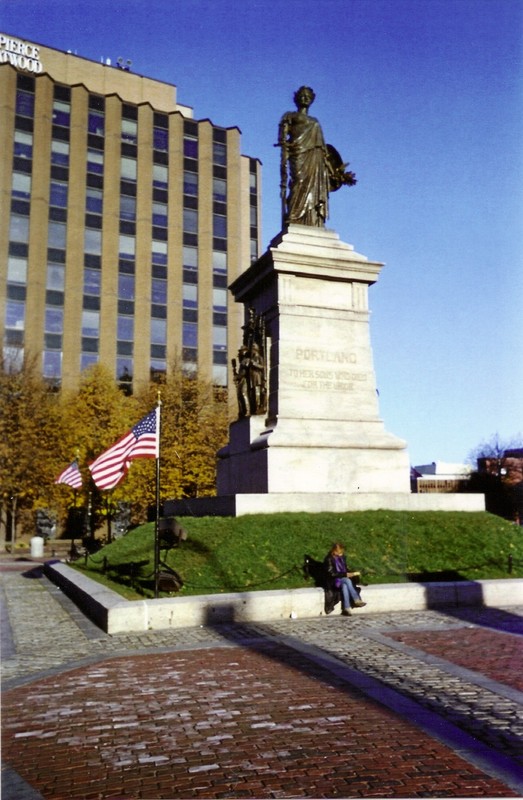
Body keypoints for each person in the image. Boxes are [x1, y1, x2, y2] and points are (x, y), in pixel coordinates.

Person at [277, 86, 356, 228]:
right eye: (302, 95)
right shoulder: (290, 116)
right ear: (296, 98)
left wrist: (336, 173)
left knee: (314, 188)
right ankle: (294, 217)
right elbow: (282, 140)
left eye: (308, 96)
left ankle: (313, 221)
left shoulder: (315, 120)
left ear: (312, 99)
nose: (305, 98)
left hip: (316, 157)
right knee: (298, 182)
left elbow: (324, 150)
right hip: (299, 153)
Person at [324, 542, 366, 616]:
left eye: (341, 552)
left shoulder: (342, 557)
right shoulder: (329, 559)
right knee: (347, 580)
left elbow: (345, 568)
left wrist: (351, 573)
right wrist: (345, 574)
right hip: (333, 580)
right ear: (334, 551)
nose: (341, 554)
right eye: (339, 552)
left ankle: (346, 609)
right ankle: (356, 599)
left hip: (342, 579)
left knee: (345, 586)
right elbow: (331, 574)